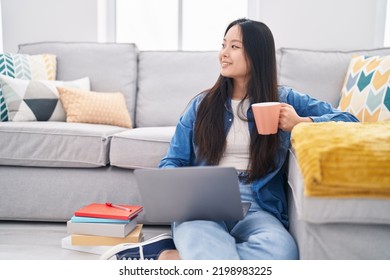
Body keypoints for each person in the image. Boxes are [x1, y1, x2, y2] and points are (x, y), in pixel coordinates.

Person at [100, 18, 359, 260]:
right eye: (223, 45)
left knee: (282, 251)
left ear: (257, 55)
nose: (223, 53)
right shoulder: (202, 105)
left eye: (234, 46)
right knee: (201, 233)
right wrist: (180, 194)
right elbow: (173, 160)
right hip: (205, 200)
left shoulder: (285, 99)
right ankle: (202, 256)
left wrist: (301, 123)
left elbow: (350, 121)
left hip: (258, 203)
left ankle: (177, 258)